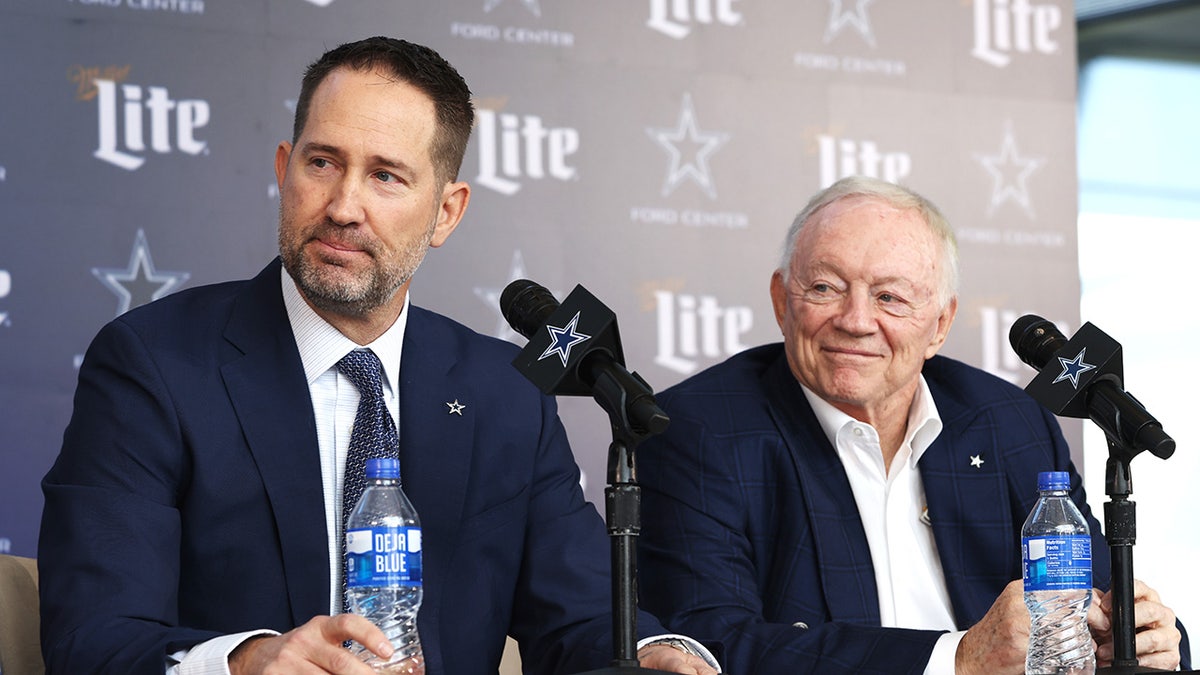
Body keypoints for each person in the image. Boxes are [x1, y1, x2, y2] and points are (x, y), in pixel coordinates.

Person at [38, 36, 719, 675]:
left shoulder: (502, 395)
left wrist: (652, 652)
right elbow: (92, 633)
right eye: (322, 162)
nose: (342, 205)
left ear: (446, 213)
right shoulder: (155, 363)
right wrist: (249, 660)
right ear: (284, 170)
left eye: (387, 176)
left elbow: (582, 617)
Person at [636, 176, 1188, 674]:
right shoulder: (697, 429)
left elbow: (1100, 598)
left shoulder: (1008, 423)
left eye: (889, 297)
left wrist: (1145, 642)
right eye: (825, 287)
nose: (855, 321)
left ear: (940, 324)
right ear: (783, 300)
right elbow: (708, 646)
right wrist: (959, 659)